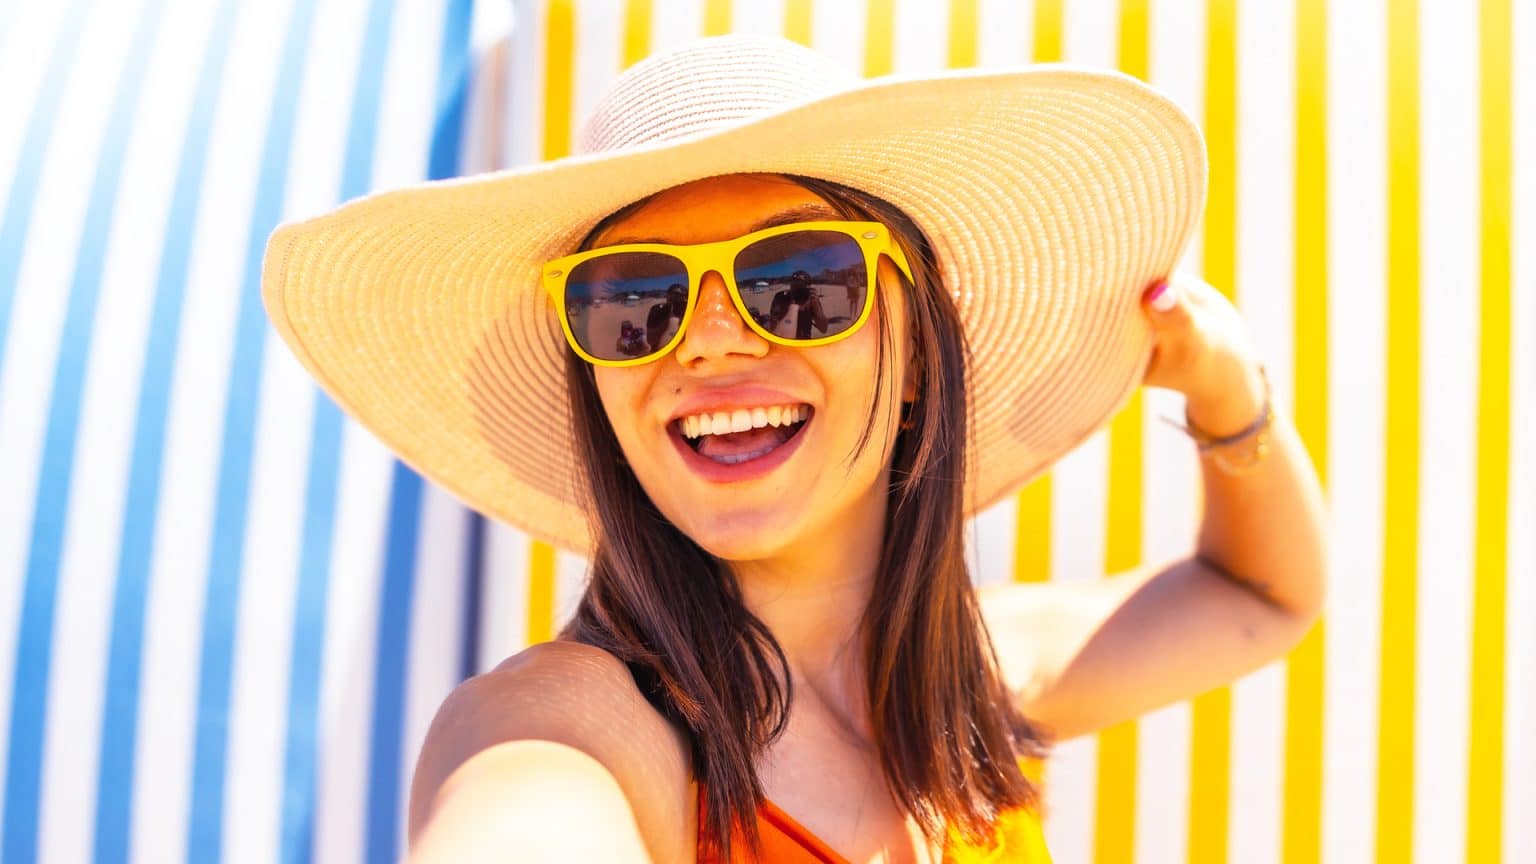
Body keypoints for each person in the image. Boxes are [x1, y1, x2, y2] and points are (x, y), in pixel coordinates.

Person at [261, 35, 1328, 864]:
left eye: (798, 282)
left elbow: (1264, 592)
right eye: (636, 301)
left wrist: (1230, 394)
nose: (715, 337)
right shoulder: (571, 727)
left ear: (915, 352)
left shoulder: (965, 683)